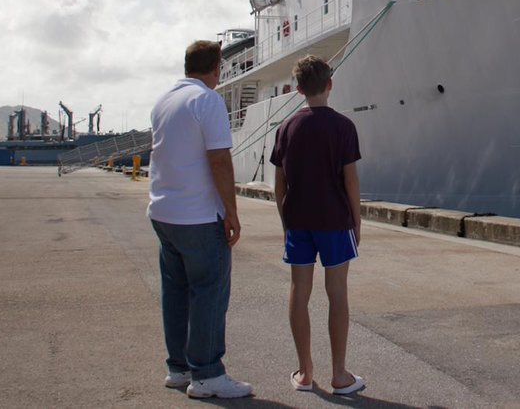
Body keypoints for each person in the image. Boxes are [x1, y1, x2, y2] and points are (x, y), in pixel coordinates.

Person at [146, 40, 252, 399]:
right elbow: (219, 159)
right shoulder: (207, 100)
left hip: (164, 211)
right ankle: (207, 374)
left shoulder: (163, 101)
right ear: (217, 68)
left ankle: (179, 369)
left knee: (175, 292)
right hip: (199, 215)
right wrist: (231, 211)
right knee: (209, 292)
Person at [270, 55, 365, 395]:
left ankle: (305, 372)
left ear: (298, 90)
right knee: (337, 293)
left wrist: (286, 223)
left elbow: (279, 185)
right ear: (330, 84)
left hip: (298, 222)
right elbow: (350, 180)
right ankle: (339, 374)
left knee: (299, 292)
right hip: (335, 221)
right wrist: (356, 221)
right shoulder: (343, 127)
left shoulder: (286, 128)